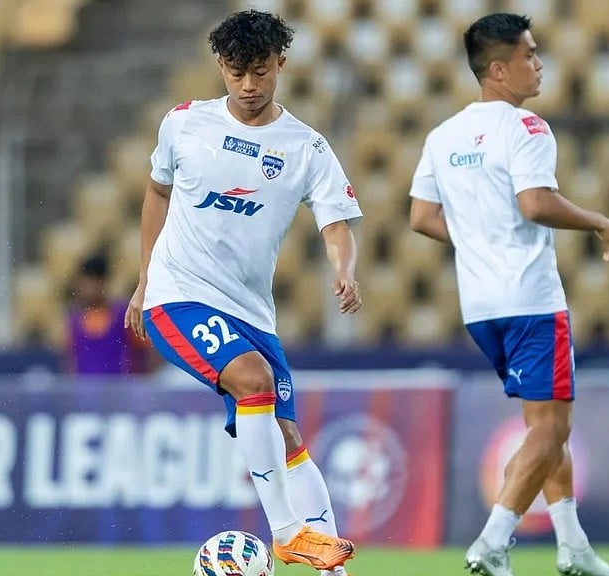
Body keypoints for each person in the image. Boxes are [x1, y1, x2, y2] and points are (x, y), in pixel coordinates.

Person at [123, 10, 361, 574]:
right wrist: (142, 280)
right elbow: (156, 193)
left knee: (286, 430)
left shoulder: (307, 147)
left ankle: (334, 571)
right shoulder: (184, 124)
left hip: (252, 311)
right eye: (236, 73)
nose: (248, 86)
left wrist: (344, 268)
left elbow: (336, 222)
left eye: (259, 71)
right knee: (253, 378)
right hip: (178, 292)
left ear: (280, 62)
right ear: (220, 67)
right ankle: (286, 533)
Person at [408, 13, 609, 576]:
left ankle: (573, 547)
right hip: (530, 299)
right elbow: (536, 204)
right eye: (529, 54)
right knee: (551, 429)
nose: (539, 63)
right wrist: (599, 221)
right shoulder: (527, 129)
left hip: (480, 306)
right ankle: (494, 539)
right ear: (499, 69)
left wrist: (478, 241)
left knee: (543, 428)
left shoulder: (443, 134)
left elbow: (421, 217)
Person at [64, 254, 155, 374]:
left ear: (103, 282)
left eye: (91, 283)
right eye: (83, 284)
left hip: (121, 390)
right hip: (84, 391)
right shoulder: (74, 320)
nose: (86, 289)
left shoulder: (124, 315)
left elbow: (147, 355)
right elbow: (70, 361)